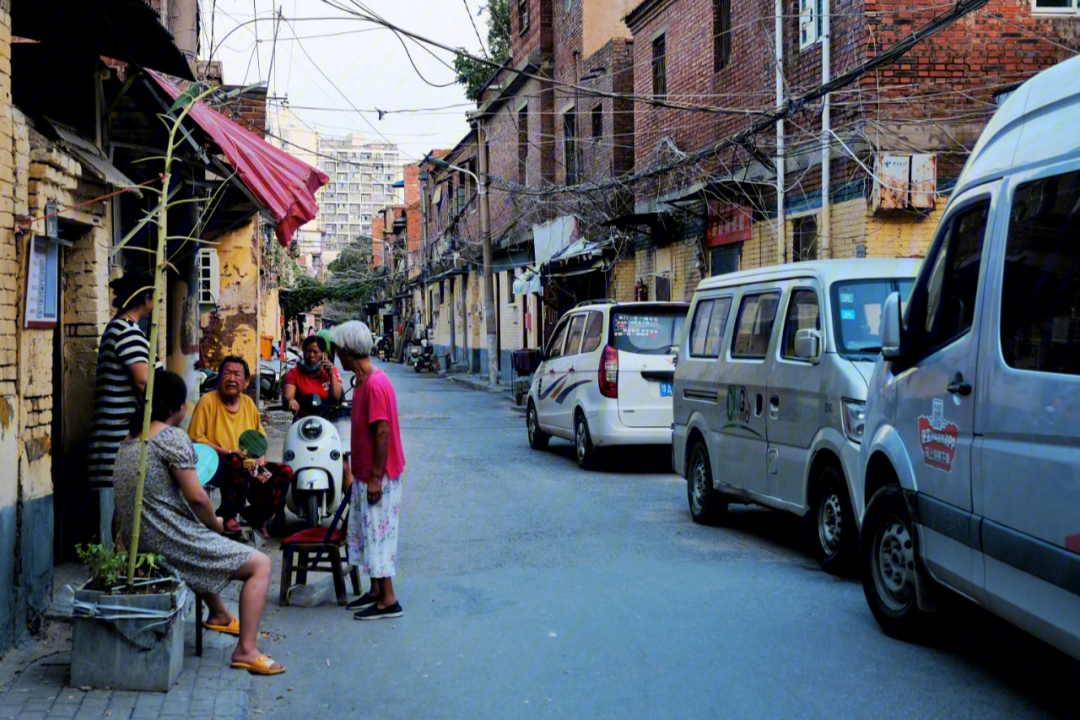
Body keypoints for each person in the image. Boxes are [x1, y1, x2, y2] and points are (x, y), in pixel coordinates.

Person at [113, 370, 284, 675]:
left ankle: (218, 613)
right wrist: (216, 524)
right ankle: (246, 649)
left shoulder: (128, 441)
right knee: (260, 565)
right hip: (167, 541)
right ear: (177, 406)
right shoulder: (170, 437)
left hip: (142, 540)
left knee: (200, 543)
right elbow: (199, 499)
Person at [333, 321, 407, 620]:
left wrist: (376, 478)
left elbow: (382, 433)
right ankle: (376, 590)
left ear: (349, 352)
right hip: (366, 472)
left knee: (378, 534)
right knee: (367, 532)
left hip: (380, 474)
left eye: (339, 350)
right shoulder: (363, 381)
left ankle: (388, 599)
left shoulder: (375, 384)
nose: (337, 355)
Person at [85, 272, 155, 546]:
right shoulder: (126, 331)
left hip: (119, 437)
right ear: (146, 299)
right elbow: (144, 383)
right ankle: (125, 565)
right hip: (120, 438)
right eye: (155, 298)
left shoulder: (120, 329)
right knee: (126, 507)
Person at [188, 356, 292, 538]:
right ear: (219, 379)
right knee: (235, 461)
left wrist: (260, 460)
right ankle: (226, 516)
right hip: (217, 465)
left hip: (248, 466)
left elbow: (260, 438)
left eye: (237, 375)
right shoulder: (207, 402)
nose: (232, 379)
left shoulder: (248, 404)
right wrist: (227, 452)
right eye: (227, 373)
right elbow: (196, 439)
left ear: (245, 382)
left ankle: (256, 516)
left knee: (284, 472)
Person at [282, 335, 342, 419]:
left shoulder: (332, 371)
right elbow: (288, 397)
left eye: (315, 352)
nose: (311, 355)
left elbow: (337, 397)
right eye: (307, 351)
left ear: (323, 354)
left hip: (327, 421)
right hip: (302, 421)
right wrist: (291, 401)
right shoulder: (294, 372)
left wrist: (332, 375)